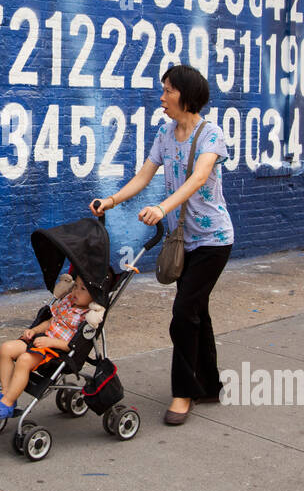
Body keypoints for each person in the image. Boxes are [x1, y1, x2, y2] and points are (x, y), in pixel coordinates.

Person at [92, 65, 234, 425]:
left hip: (212, 240)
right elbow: (144, 175)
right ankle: (210, 384)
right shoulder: (165, 134)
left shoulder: (211, 135)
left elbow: (200, 177)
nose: (162, 97)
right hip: (181, 240)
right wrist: (111, 200)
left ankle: (183, 393)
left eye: (168, 90)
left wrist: (162, 207)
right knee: (196, 310)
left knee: (184, 315)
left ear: (186, 95)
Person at [0, 275, 93, 419]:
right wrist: (34, 331)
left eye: (82, 289)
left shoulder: (88, 317)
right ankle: (5, 393)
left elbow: (74, 345)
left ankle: (7, 403)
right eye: (75, 286)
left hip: (55, 351)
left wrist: (51, 343)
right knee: (6, 348)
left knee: (24, 360)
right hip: (41, 341)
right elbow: (50, 322)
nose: (76, 291)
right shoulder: (68, 301)